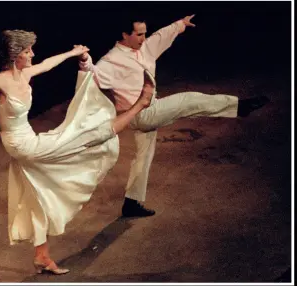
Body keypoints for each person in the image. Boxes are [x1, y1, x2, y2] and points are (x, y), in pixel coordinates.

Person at [0, 29, 155, 274]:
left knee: (40, 197)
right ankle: (142, 103)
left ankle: (42, 256)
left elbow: (48, 64)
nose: (32, 54)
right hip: (23, 146)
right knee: (89, 134)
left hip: (30, 141)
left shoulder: (25, 72)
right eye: (27, 51)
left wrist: (73, 53)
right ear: (15, 56)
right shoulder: (0, 81)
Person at [78, 15, 269, 217]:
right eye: (139, 34)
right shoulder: (112, 60)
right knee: (188, 100)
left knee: (143, 157)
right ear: (125, 34)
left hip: (147, 109)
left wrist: (180, 24)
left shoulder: (145, 48)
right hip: (141, 114)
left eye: (145, 33)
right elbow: (93, 74)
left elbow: (161, 35)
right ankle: (240, 107)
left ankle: (131, 202)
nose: (143, 38)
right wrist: (85, 62)